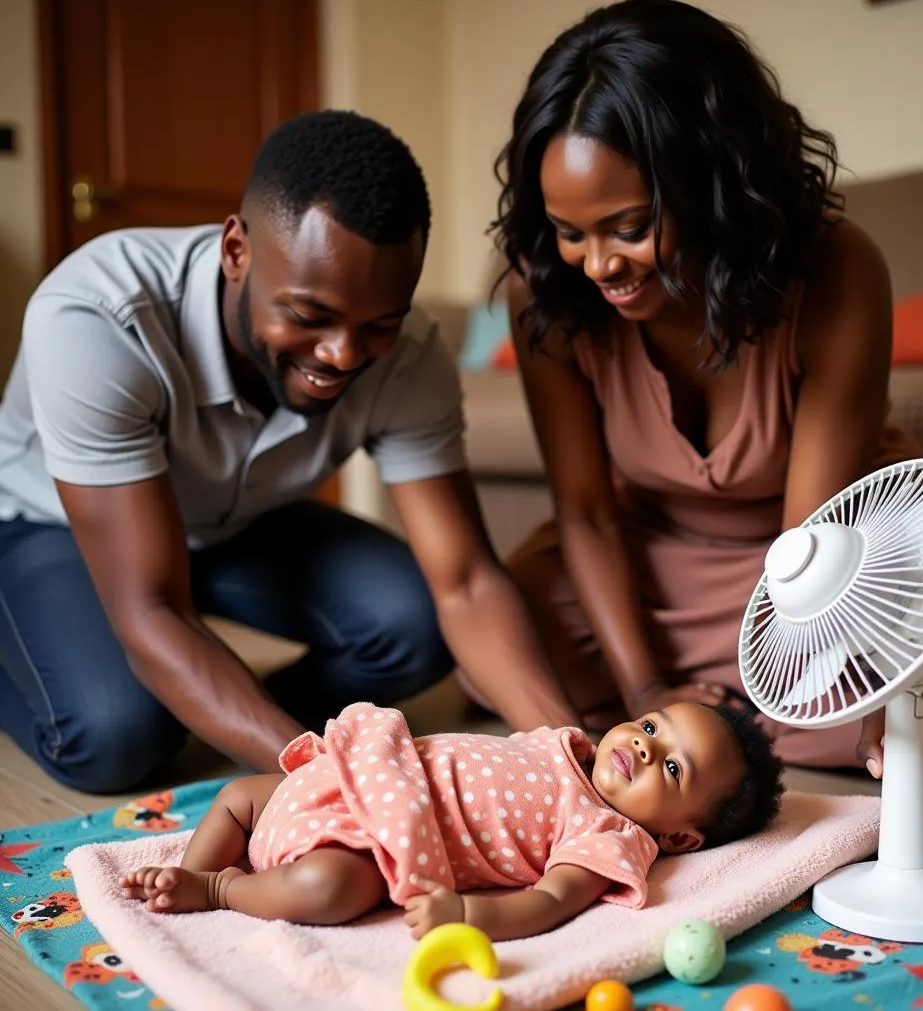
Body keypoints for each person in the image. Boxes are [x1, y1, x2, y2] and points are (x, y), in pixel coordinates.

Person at [477, 0, 923, 816]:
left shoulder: (834, 267)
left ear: (711, 179)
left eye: (629, 227)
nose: (598, 265)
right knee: (510, 640)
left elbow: (814, 551)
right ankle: (722, 729)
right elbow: (585, 513)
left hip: (821, 558)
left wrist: (889, 679)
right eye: (569, 231)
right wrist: (646, 688)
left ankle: (774, 723)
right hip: (644, 550)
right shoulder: (546, 288)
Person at [0, 109, 579, 796]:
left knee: (415, 625)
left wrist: (567, 754)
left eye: (378, 325)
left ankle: (220, 705)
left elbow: (468, 582)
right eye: (309, 317)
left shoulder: (411, 353)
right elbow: (153, 608)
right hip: (48, 529)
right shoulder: (98, 317)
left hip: (233, 528)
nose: (342, 355)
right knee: (116, 735)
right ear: (236, 250)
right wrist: (332, 783)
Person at [118, 699, 783, 940]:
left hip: (371, 843)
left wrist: (467, 918)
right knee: (243, 794)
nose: (643, 745)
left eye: (672, 768)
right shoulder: (569, 745)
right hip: (361, 772)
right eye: (649, 725)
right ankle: (186, 870)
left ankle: (215, 888)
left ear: (679, 837)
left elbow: (550, 902)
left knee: (333, 890)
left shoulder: (610, 835)